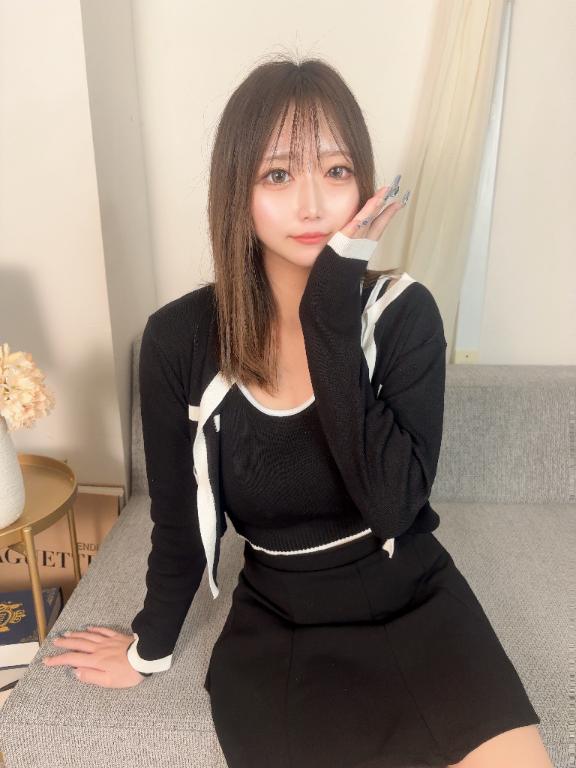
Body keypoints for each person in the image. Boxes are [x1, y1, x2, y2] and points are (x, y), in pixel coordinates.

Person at [42, 56, 553, 768]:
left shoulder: (403, 314)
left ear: (363, 183)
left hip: (414, 599)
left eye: (336, 171)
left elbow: (394, 506)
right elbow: (180, 519)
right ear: (237, 192)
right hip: (283, 620)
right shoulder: (178, 339)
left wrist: (329, 313)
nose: (312, 204)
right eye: (278, 175)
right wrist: (147, 649)